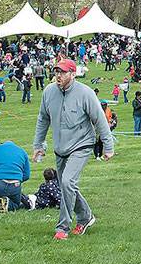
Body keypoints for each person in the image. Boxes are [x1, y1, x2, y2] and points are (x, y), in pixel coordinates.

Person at [33, 59, 114, 240]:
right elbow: (42, 119)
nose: (58, 76)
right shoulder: (48, 92)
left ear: (73, 74)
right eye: (56, 72)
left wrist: (108, 146)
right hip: (60, 148)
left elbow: (100, 120)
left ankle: (63, 228)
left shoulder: (85, 93)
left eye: (62, 72)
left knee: (68, 182)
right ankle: (86, 216)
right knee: (65, 186)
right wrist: (38, 145)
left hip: (82, 144)